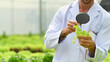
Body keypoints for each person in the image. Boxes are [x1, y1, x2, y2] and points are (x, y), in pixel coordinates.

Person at [44, 0, 110, 62]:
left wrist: (92, 47)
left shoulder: (105, 18)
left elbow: (102, 55)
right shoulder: (62, 12)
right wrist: (64, 32)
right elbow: (47, 42)